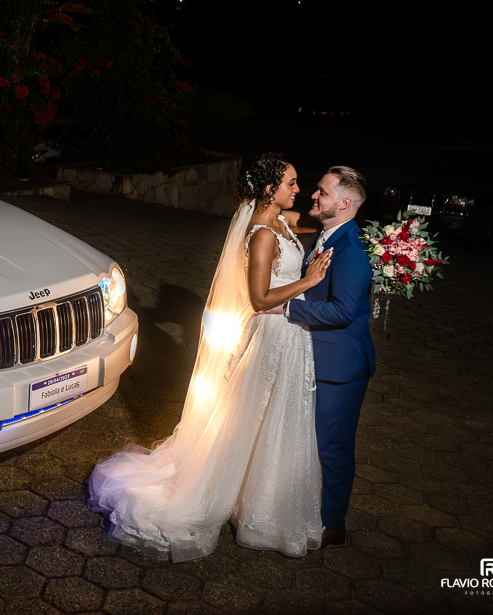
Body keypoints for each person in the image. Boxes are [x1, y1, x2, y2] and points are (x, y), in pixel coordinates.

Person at [88, 154, 332, 561]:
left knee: (278, 415)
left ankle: (262, 498)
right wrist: (308, 281)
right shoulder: (262, 235)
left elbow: (306, 225)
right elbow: (259, 299)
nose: (297, 189)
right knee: (254, 414)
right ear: (269, 189)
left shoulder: (282, 222)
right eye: (290, 183)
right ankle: (227, 500)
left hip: (290, 335)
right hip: (271, 335)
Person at [282, 166, 375, 548]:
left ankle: (332, 525)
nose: (314, 196)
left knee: (332, 447)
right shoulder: (326, 236)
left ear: (345, 202)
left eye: (322, 192)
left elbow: (342, 311)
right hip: (315, 357)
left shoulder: (353, 250)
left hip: (340, 367)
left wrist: (286, 308)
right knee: (308, 441)